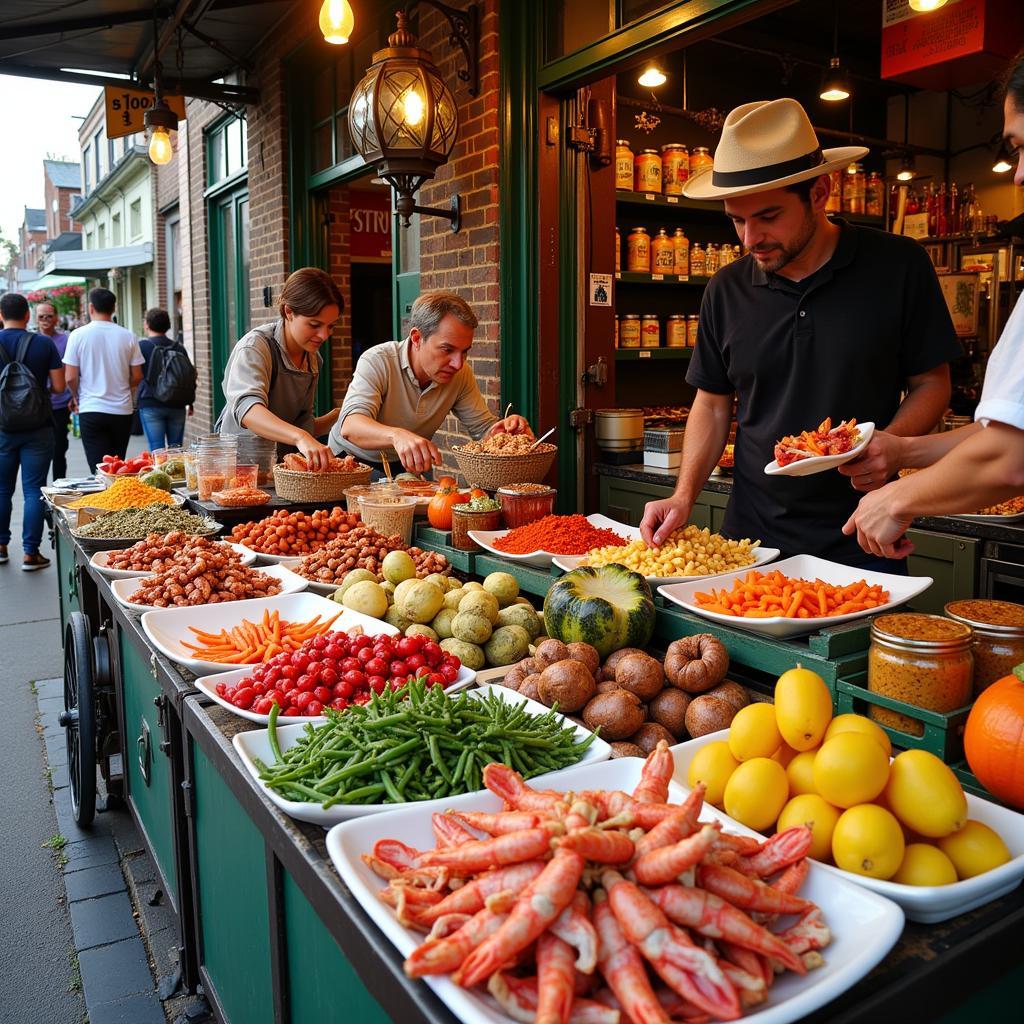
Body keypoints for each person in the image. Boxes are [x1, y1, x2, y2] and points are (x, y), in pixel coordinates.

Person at [638, 98, 961, 570]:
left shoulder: (898, 265)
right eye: (736, 219)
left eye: (767, 217)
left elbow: (933, 383)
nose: (749, 239)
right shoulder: (725, 289)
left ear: (819, 192)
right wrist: (684, 494)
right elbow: (711, 403)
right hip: (747, 543)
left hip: (864, 532)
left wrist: (890, 444)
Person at [843, 54, 1024, 559]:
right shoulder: (732, 286)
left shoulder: (898, 264)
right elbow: (1004, 430)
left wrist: (897, 497)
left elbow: (1009, 459)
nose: (1019, 176)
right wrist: (904, 450)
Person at [330, 290, 531, 475]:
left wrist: (504, 432)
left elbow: (482, 429)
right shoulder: (377, 360)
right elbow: (351, 425)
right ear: (417, 338)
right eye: (447, 349)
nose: (458, 363)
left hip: (406, 466)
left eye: (464, 351)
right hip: (349, 463)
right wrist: (397, 436)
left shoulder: (460, 374)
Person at [218, 267, 342, 469]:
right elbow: (248, 410)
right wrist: (300, 437)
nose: (324, 335)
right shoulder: (255, 347)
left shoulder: (313, 359)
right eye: (314, 324)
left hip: (282, 470)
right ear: (288, 312)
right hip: (242, 468)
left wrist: (341, 413)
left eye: (331, 326)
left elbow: (302, 424)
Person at [0, 292, 65, 570]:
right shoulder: (42, 343)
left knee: (2, 489)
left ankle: (1, 547)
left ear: (1, 316)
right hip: (38, 427)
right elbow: (60, 386)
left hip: (2, 428)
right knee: (32, 490)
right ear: (28, 315)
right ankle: (31, 553)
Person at [63, 287, 144, 473]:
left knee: (98, 470)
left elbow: (70, 377)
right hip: (122, 410)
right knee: (117, 470)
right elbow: (138, 376)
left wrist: (76, 397)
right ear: (114, 307)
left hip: (91, 408)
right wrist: (124, 385)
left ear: (91, 308)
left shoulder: (77, 335)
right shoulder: (128, 336)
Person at [137, 307, 193, 452]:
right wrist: (190, 402)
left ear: (147, 324)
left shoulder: (142, 346)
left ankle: (160, 475)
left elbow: (136, 375)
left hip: (150, 402)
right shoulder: (179, 348)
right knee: (176, 450)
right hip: (177, 403)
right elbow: (188, 376)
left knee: (157, 450)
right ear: (167, 325)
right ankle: (176, 475)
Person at [34, 300, 72, 480]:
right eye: (41, 316)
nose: (45, 320)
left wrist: (74, 395)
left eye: (49, 316)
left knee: (59, 450)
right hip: (36, 406)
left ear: (56, 318)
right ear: (35, 318)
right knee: (37, 453)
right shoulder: (31, 340)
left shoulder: (66, 340)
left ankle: (59, 485)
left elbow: (74, 370)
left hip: (60, 405)